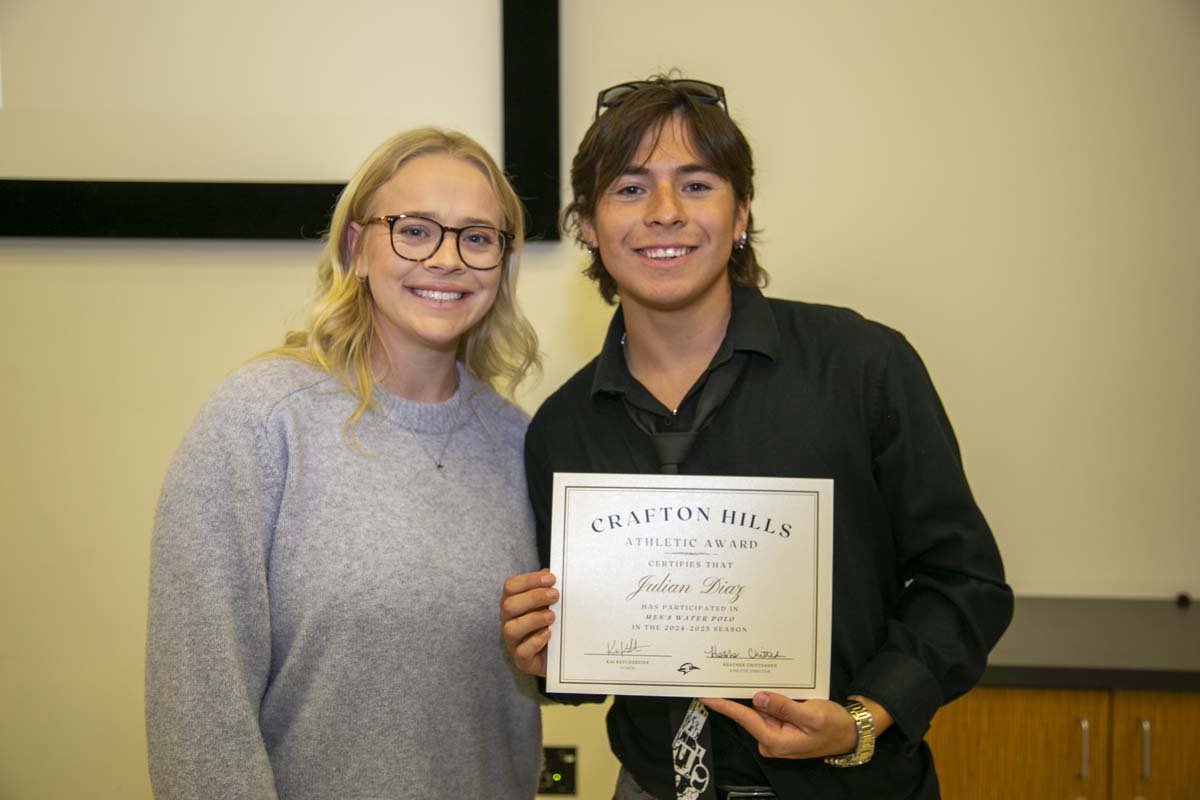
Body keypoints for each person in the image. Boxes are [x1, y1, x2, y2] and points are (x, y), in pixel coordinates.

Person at [500, 77, 1013, 799]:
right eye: (630, 189)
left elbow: (964, 583)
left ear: (741, 213)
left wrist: (863, 718)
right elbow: (589, 670)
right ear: (587, 222)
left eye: (697, 184)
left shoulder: (863, 367)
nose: (665, 214)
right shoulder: (563, 428)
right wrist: (543, 653)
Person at [146, 128, 543, 799]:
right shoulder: (262, 419)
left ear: (502, 263)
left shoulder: (520, 443)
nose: (447, 260)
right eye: (415, 231)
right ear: (357, 249)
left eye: (477, 237)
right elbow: (197, 703)